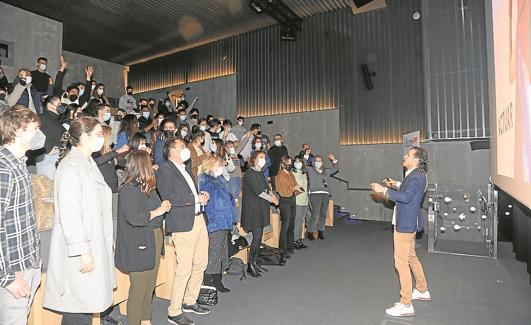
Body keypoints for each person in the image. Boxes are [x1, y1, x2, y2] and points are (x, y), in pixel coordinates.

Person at [43, 117, 115, 325]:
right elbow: (69, 212)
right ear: (83, 136)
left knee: (85, 306)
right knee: (77, 308)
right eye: (99, 135)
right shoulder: (71, 165)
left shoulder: (88, 163)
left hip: (92, 243)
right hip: (80, 249)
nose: (102, 139)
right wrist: (82, 249)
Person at [370, 146, 431, 317]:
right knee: (411, 257)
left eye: (408, 154)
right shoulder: (417, 174)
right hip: (409, 221)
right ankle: (422, 289)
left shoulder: (416, 176)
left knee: (401, 263)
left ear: (416, 159)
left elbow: (406, 197)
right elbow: (408, 189)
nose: (405, 156)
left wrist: (384, 190)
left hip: (405, 223)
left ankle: (406, 304)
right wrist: (396, 184)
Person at [157, 138, 211, 325]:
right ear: (172, 150)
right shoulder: (165, 169)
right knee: (184, 269)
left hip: (198, 220)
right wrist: (196, 198)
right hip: (182, 224)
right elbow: (168, 196)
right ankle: (174, 311)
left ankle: (189, 300)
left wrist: (201, 196)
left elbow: (191, 195)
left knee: (201, 263)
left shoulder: (186, 170)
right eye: (182, 147)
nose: (186, 150)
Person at [115, 150, 171, 325]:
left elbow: (157, 215)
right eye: (149, 162)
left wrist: (162, 208)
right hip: (140, 242)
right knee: (138, 289)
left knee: (149, 286)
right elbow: (136, 218)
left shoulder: (148, 187)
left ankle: (146, 320)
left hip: (154, 237)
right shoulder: (128, 189)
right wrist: (159, 210)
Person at [0, 106, 44, 325]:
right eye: (36, 128)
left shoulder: (19, 163)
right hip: (13, 271)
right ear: (18, 129)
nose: (40, 135)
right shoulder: (4, 168)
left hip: (28, 263)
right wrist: (6, 277)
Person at [199, 157, 236, 293]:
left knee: (222, 251)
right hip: (215, 221)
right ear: (209, 166)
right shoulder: (206, 182)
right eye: (218, 165)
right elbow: (208, 205)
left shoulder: (220, 180)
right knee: (213, 252)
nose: (221, 167)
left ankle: (218, 280)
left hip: (224, 220)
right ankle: (209, 282)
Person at [241, 150, 279, 277]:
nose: (263, 160)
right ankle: (251, 265)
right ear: (254, 159)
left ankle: (255, 262)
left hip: (261, 208)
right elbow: (258, 191)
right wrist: (272, 199)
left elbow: (267, 189)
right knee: (256, 238)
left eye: (264, 157)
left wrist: (273, 195)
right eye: (260, 157)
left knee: (258, 238)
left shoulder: (260, 173)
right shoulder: (249, 173)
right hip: (253, 210)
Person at [275, 155, 302, 262]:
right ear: (283, 164)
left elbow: (294, 187)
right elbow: (283, 192)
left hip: (292, 199)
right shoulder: (280, 176)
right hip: (285, 201)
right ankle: (282, 250)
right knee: (285, 227)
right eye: (288, 164)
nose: (290, 165)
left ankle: (290, 247)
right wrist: (293, 188)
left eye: (291, 163)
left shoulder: (291, 174)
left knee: (291, 225)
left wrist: (296, 188)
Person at [306, 153, 338, 240]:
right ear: (314, 162)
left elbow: (335, 169)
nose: (318, 162)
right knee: (315, 213)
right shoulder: (311, 170)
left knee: (323, 214)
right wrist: (306, 157)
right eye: (316, 161)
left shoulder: (326, 171)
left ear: (322, 162)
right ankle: (310, 231)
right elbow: (304, 166)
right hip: (315, 194)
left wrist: (333, 160)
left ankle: (320, 231)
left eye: (320, 161)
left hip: (325, 194)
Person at [36, 95, 67, 179]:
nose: (61, 106)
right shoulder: (42, 117)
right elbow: (35, 133)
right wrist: (48, 148)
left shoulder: (56, 120)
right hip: (47, 160)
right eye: (59, 103)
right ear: (50, 105)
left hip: (55, 159)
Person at [292, 156, 309, 249]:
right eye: (296, 161)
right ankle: (294, 240)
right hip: (297, 200)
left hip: (304, 200)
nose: (298, 163)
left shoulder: (303, 173)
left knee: (301, 221)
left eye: (300, 161)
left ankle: (298, 240)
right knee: (297, 221)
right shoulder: (292, 173)